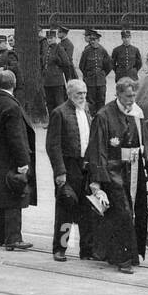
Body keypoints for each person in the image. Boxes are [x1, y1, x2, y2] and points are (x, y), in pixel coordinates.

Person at [86, 77, 148, 274]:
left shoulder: (138, 113)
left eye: (133, 95)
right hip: (113, 171)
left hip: (135, 169)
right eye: (128, 96)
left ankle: (133, 253)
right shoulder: (104, 116)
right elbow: (97, 149)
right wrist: (97, 182)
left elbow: (144, 141)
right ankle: (122, 259)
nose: (131, 99)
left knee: (138, 209)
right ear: (118, 94)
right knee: (121, 213)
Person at [0, 69, 36, 250]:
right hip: (11, 159)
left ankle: (0, 237)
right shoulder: (12, 106)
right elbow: (17, 138)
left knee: (0, 198)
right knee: (14, 195)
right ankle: (13, 238)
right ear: (14, 83)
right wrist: (23, 162)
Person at [47, 78, 97, 262]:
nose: (82, 97)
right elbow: (53, 145)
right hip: (69, 168)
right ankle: (60, 248)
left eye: (84, 93)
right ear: (69, 94)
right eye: (78, 94)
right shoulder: (59, 113)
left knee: (87, 210)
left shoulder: (87, 110)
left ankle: (87, 250)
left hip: (86, 167)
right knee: (65, 210)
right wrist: (60, 172)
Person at [42, 28, 76, 114]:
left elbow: (66, 63)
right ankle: (52, 121)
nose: (49, 40)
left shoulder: (59, 48)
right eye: (48, 38)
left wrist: (68, 77)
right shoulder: (46, 49)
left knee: (59, 102)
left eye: (51, 38)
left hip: (57, 80)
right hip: (47, 80)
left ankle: (61, 121)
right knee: (49, 103)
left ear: (55, 38)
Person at [79, 28, 112, 108]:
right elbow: (82, 66)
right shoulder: (86, 51)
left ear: (98, 40)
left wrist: (103, 74)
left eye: (95, 40)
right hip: (90, 81)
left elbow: (108, 65)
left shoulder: (103, 51)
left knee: (101, 100)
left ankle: (100, 119)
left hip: (101, 81)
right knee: (91, 101)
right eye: (91, 40)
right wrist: (87, 75)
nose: (93, 41)